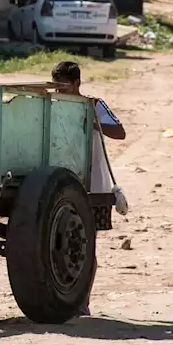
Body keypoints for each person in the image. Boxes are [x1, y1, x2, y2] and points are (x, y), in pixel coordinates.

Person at [52, 59, 127, 317]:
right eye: (57, 88)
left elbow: (119, 132)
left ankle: (83, 301)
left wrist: (95, 123)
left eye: (65, 87)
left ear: (77, 84)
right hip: (60, 183)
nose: (61, 93)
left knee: (86, 244)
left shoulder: (94, 105)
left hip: (94, 185)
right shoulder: (52, 106)